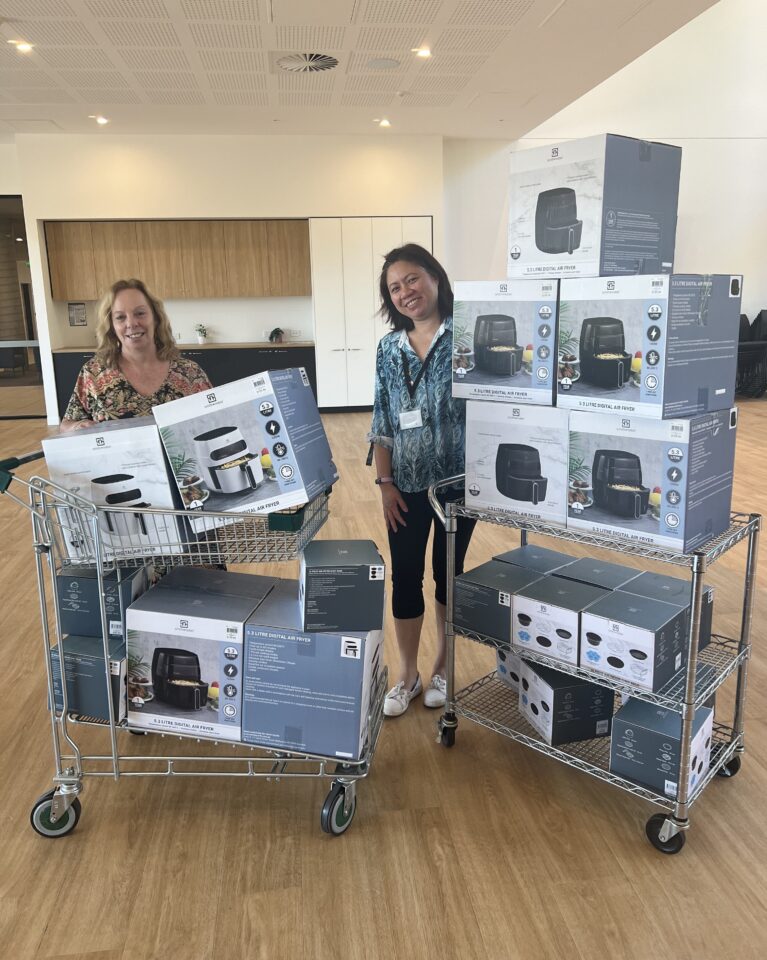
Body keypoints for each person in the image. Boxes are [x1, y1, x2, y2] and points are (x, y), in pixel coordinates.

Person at [368, 244, 476, 718]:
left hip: (458, 483)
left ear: (434, 277)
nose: (405, 292)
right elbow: (382, 417)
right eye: (395, 287)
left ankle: (443, 668)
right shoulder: (388, 349)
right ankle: (407, 674)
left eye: (412, 279)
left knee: (449, 576)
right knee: (406, 576)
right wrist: (385, 483)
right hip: (406, 484)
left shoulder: (467, 336)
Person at [61, 278, 211, 431]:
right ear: (112, 326)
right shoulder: (92, 373)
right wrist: (76, 426)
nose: (131, 323)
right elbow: (67, 424)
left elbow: (215, 419)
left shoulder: (190, 373)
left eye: (140, 313)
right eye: (120, 317)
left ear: (156, 318)